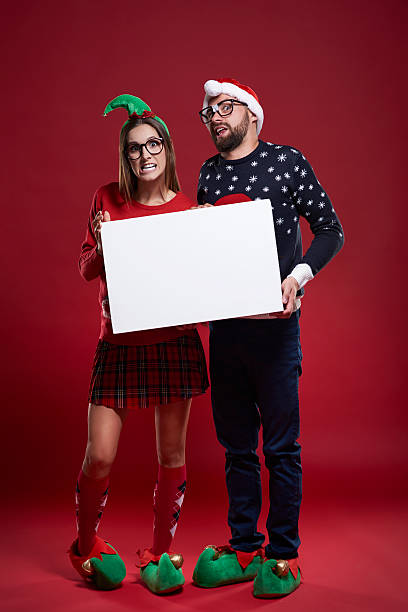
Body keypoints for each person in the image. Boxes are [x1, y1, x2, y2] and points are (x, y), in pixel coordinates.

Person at [191, 78, 344, 598]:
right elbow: (204, 252)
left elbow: (330, 230)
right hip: (225, 331)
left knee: (280, 448)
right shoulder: (209, 174)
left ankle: (284, 554)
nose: (214, 117)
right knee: (236, 448)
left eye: (224, 107)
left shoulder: (287, 162)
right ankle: (243, 547)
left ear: (252, 114)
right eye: (208, 111)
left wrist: (297, 278)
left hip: (276, 332)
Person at [68, 94, 209, 594]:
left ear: (168, 150)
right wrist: (102, 245)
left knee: (171, 456)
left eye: (153, 145)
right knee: (99, 456)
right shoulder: (106, 199)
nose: (145, 154)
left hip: (174, 343)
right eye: (134, 148)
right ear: (124, 157)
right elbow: (86, 269)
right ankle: (85, 547)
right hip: (119, 344)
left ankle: (160, 551)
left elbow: (203, 284)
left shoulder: (189, 210)